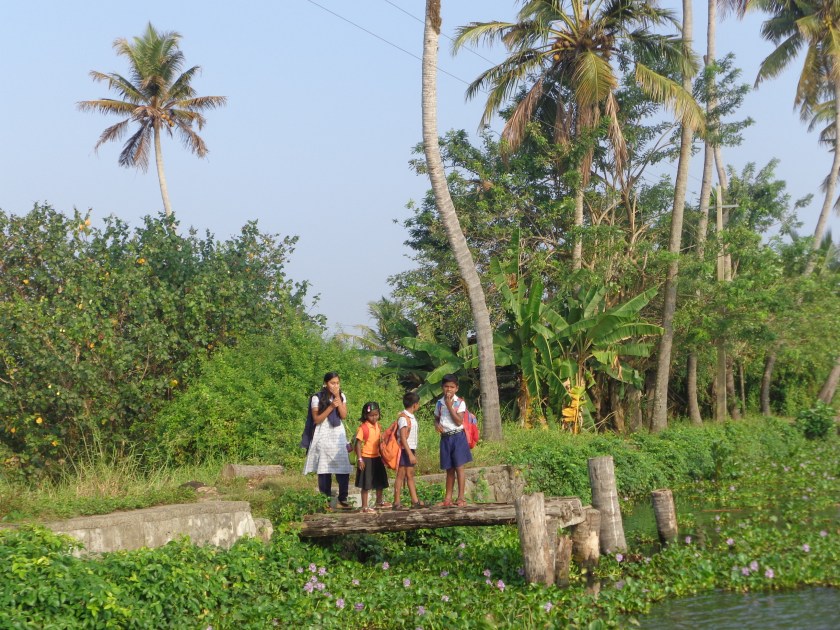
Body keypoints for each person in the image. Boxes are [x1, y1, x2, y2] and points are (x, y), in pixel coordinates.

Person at [303, 372, 353, 509]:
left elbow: (343, 416)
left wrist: (337, 398)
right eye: (332, 383)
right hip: (323, 434)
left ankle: (343, 498)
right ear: (326, 383)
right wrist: (330, 407)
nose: (335, 385)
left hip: (338, 434)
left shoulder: (341, 396)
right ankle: (325, 500)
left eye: (337, 383)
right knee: (324, 468)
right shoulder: (317, 398)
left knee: (343, 466)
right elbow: (317, 419)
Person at [434, 374, 472, 507]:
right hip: (445, 438)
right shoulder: (439, 403)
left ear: (456, 388)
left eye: (452, 387)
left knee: (459, 467)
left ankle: (461, 498)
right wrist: (437, 425)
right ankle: (448, 499)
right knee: (449, 469)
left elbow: (458, 421)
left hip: (458, 436)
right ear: (442, 388)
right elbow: (436, 418)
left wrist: (450, 406)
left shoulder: (460, 402)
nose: (448, 389)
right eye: (446, 386)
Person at [354, 401, 391, 513]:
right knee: (366, 483)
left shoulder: (378, 426)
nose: (374, 417)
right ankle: (364, 506)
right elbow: (358, 444)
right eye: (371, 415)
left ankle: (379, 502)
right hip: (366, 457)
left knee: (380, 481)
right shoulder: (363, 428)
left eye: (376, 415)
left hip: (377, 457)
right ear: (366, 415)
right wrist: (360, 459)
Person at [393, 391, 423, 510]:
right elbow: (403, 438)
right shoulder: (404, 418)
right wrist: (410, 454)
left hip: (409, 449)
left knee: (410, 474)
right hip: (405, 450)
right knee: (400, 475)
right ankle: (396, 502)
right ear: (415, 405)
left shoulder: (409, 417)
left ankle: (414, 500)